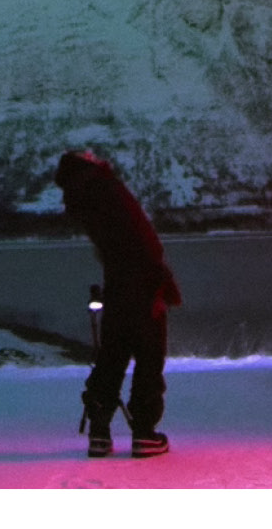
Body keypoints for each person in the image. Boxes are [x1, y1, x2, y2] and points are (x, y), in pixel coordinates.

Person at [55, 147, 182, 458]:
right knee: (149, 355)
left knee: (113, 354)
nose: (94, 155)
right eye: (89, 155)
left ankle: (100, 432)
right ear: (86, 164)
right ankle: (144, 433)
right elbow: (142, 238)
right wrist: (157, 283)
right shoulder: (105, 188)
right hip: (141, 283)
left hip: (117, 284)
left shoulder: (83, 198)